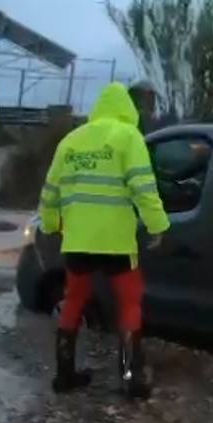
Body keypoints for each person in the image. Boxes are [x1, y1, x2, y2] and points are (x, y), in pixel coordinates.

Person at [38, 82, 170, 399]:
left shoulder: (71, 141)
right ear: (126, 110)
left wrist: (52, 225)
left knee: (73, 302)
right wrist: (157, 226)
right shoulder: (128, 137)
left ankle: (65, 376)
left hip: (78, 242)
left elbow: (50, 192)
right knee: (129, 303)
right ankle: (130, 378)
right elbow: (144, 188)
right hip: (117, 244)